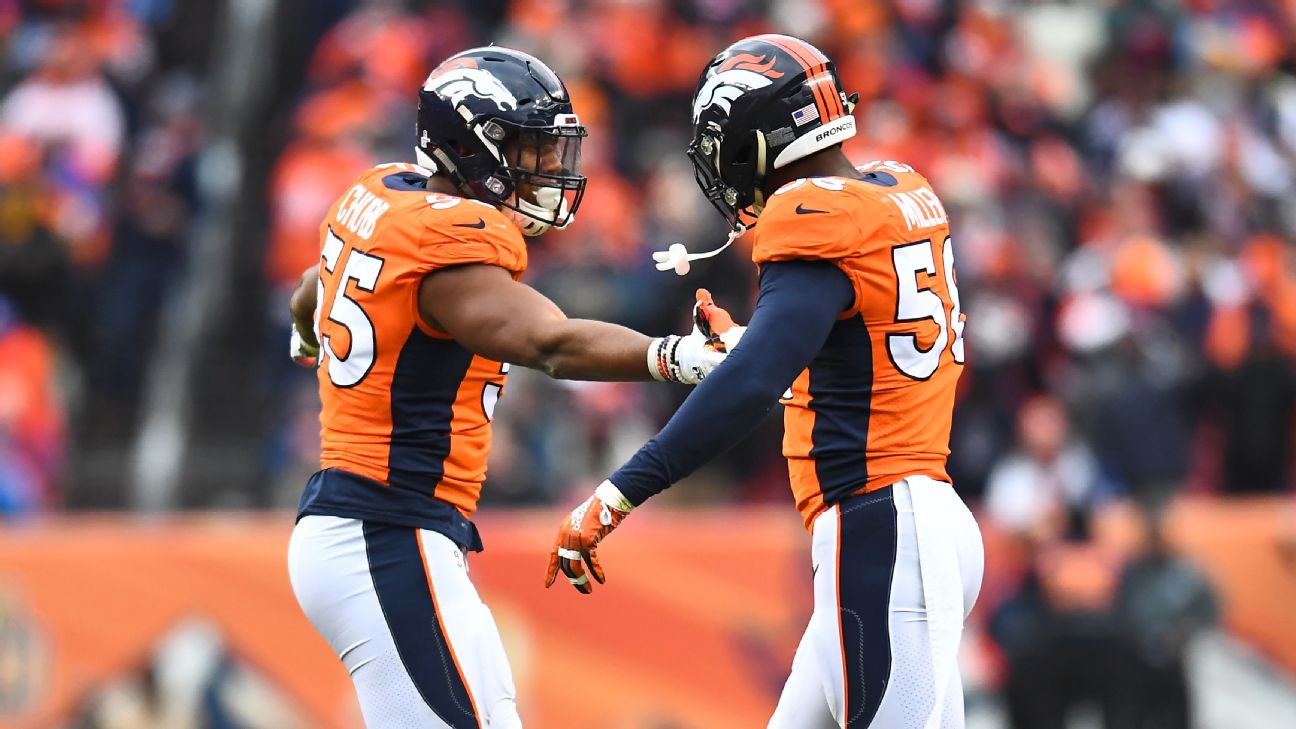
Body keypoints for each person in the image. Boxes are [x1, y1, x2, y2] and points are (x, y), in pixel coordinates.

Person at [285, 47, 738, 729]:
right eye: (528, 149)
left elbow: (312, 287)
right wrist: (671, 355)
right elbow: (546, 342)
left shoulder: (379, 196)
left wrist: (309, 333)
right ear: (468, 145)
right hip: (382, 530)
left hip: (390, 528)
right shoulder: (448, 240)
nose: (549, 168)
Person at [546, 35, 984, 728]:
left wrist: (620, 491)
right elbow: (858, 364)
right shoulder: (902, 190)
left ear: (761, 135)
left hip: (884, 527)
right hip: (907, 518)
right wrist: (758, 346)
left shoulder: (815, 214)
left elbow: (752, 381)